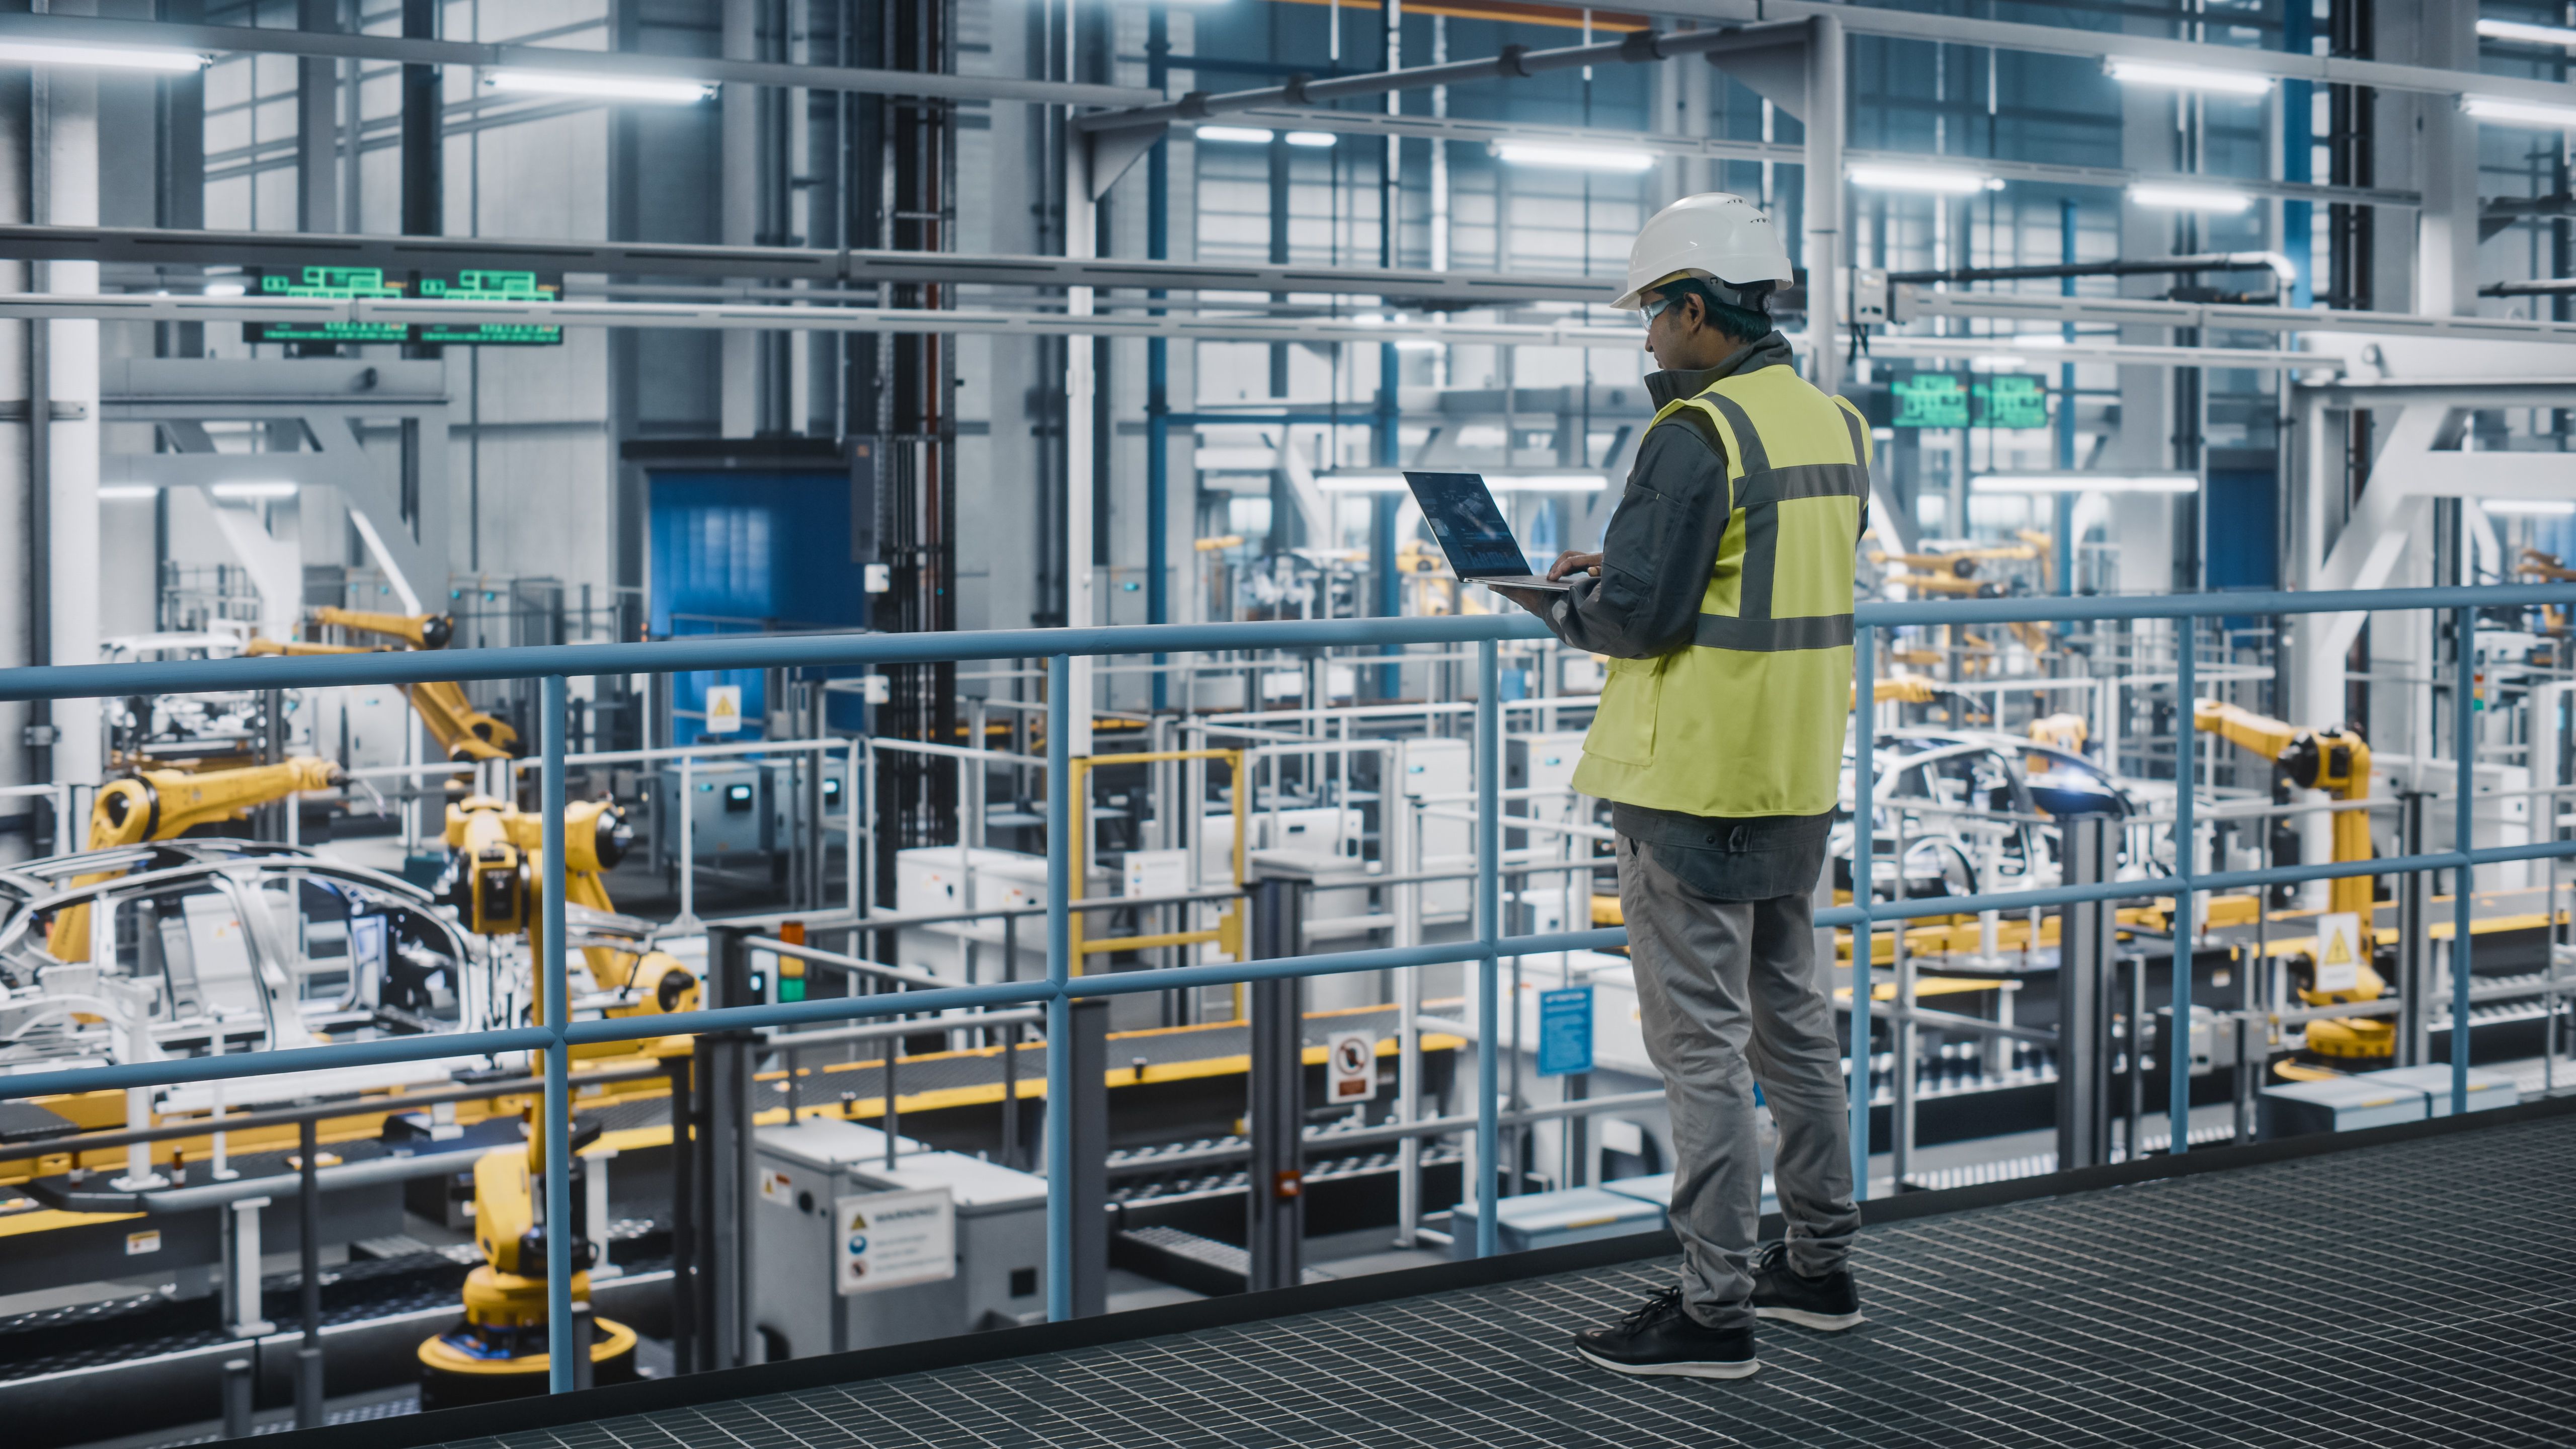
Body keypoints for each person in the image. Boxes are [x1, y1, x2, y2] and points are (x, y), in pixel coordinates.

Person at [1498, 192, 1870, 1381]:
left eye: (1653, 314)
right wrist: (1635, 557)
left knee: (1701, 1052)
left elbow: (1640, 621)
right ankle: (1817, 1269)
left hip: (1694, 776)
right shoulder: (1832, 424)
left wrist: (1565, 602)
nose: (1647, 337)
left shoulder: (1693, 433)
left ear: (1698, 311)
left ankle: (1713, 1316)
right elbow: (1763, 564)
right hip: (1796, 769)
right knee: (1795, 1027)